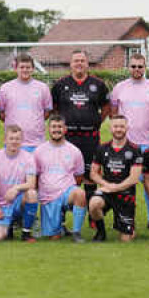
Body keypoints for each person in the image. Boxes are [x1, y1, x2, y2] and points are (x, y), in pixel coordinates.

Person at [50, 49, 111, 207]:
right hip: (68, 137)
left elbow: (106, 107)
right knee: (66, 175)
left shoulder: (98, 84)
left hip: (90, 137)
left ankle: (92, 213)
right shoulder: (60, 85)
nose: (79, 64)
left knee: (91, 174)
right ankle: (64, 213)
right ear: (70, 64)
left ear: (87, 64)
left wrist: (97, 121)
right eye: (76, 61)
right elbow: (54, 109)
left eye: (82, 61)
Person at [110, 53, 149, 223]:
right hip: (128, 144)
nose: (137, 69)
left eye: (140, 66)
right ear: (128, 67)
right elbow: (113, 113)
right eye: (133, 66)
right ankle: (123, 218)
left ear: (145, 67)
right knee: (124, 181)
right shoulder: (119, 88)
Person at [88, 115, 142, 243]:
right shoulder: (102, 148)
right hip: (107, 191)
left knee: (126, 239)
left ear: (127, 128)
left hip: (125, 194)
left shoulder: (135, 150)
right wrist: (106, 184)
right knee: (94, 203)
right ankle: (101, 233)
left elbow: (134, 178)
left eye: (122, 126)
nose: (119, 129)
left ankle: (126, 226)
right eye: (116, 126)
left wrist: (116, 187)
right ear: (110, 128)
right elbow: (93, 174)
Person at [34, 116, 87, 242]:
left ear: (65, 129)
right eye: (53, 127)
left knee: (80, 194)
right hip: (48, 197)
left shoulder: (74, 151)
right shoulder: (39, 151)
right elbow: (35, 177)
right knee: (54, 238)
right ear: (48, 129)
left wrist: (66, 189)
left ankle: (76, 233)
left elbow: (79, 177)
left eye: (59, 127)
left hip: (66, 193)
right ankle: (58, 223)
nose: (56, 130)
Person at [0, 125, 38, 242]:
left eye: (17, 139)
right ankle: (8, 228)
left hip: (18, 204)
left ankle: (26, 233)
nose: (14, 142)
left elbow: (31, 184)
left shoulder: (28, 158)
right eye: (11, 138)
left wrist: (16, 188)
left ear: (22, 141)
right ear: (5, 140)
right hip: (1, 206)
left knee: (32, 194)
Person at [0, 53, 52, 152]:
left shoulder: (42, 87)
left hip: (37, 143)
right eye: (22, 67)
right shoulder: (5, 88)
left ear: (33, 68)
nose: (25, 70)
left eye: (28, 67)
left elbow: (47, 112)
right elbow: (1, 113)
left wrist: (34, 122)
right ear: (16, 68)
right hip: (13, 142)